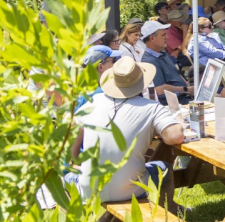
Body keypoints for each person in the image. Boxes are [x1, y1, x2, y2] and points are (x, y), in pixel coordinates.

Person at [67, 57, 184, 204]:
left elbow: (72, 132)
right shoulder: (151, 108)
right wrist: (179, 122)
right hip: (130, 189)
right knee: (164, 168)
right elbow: (175, 137)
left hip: (89, 188)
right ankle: (169, 213)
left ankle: (103, 221)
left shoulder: (94, 101)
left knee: (68, 178)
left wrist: (77, 161)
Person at [141, 21, 193, 101]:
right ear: (152, 38)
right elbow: (159, 90)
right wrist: (186, 90)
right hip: (176, 102)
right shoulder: (150, 61)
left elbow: (176, 73)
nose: (167, 37)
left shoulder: (162, 54)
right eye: (163, 35)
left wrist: (188, 86)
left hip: (184, 95)